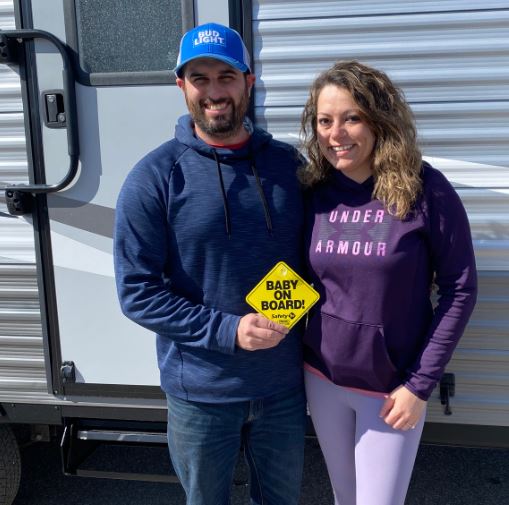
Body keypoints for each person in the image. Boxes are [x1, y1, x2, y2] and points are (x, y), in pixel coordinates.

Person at [113, 23, 306, 505]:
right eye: (200, 78)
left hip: (284, 387)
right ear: (181, 86)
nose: (214, 91)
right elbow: (137, 292)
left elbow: (323, 256)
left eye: (226, 76)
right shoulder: (154, 178)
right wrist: (229, 331)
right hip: (200, 394)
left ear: (249, 82)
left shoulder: (290, 166)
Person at [299, 61, 477, 505]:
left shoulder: (426, 190)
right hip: (321, 379)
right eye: (325, 121)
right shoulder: (313, 192)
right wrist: (260, 328)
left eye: (351, 118)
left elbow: (461, 288)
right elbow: (301, 277)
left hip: (391, 389)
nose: (335, 133)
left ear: (380, 120)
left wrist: (420, 385)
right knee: (344, 497)